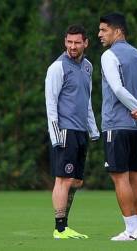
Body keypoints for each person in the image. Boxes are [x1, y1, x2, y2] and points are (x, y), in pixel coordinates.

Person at [98, 13, 137, 241]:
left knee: (120, 178)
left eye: (104, 30)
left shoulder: (109, 55)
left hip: (116, 125)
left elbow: (118, 88)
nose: (100, 35)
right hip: (136, 127)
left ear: (118, 31)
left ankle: (131, 231)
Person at [45, 24, 99, 239]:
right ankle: (60, 228)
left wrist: (93, 129)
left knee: (76, 181)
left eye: (77, 42)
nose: (72, 46)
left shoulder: (88, 66)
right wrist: (55, 134)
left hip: (80, 132)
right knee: (63, 180)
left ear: (85, 43)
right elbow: (51, 103)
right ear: (64, 42)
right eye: (69, 42)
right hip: (64, 131)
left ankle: (64, 225)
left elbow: (86, 101)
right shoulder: (57, 67)